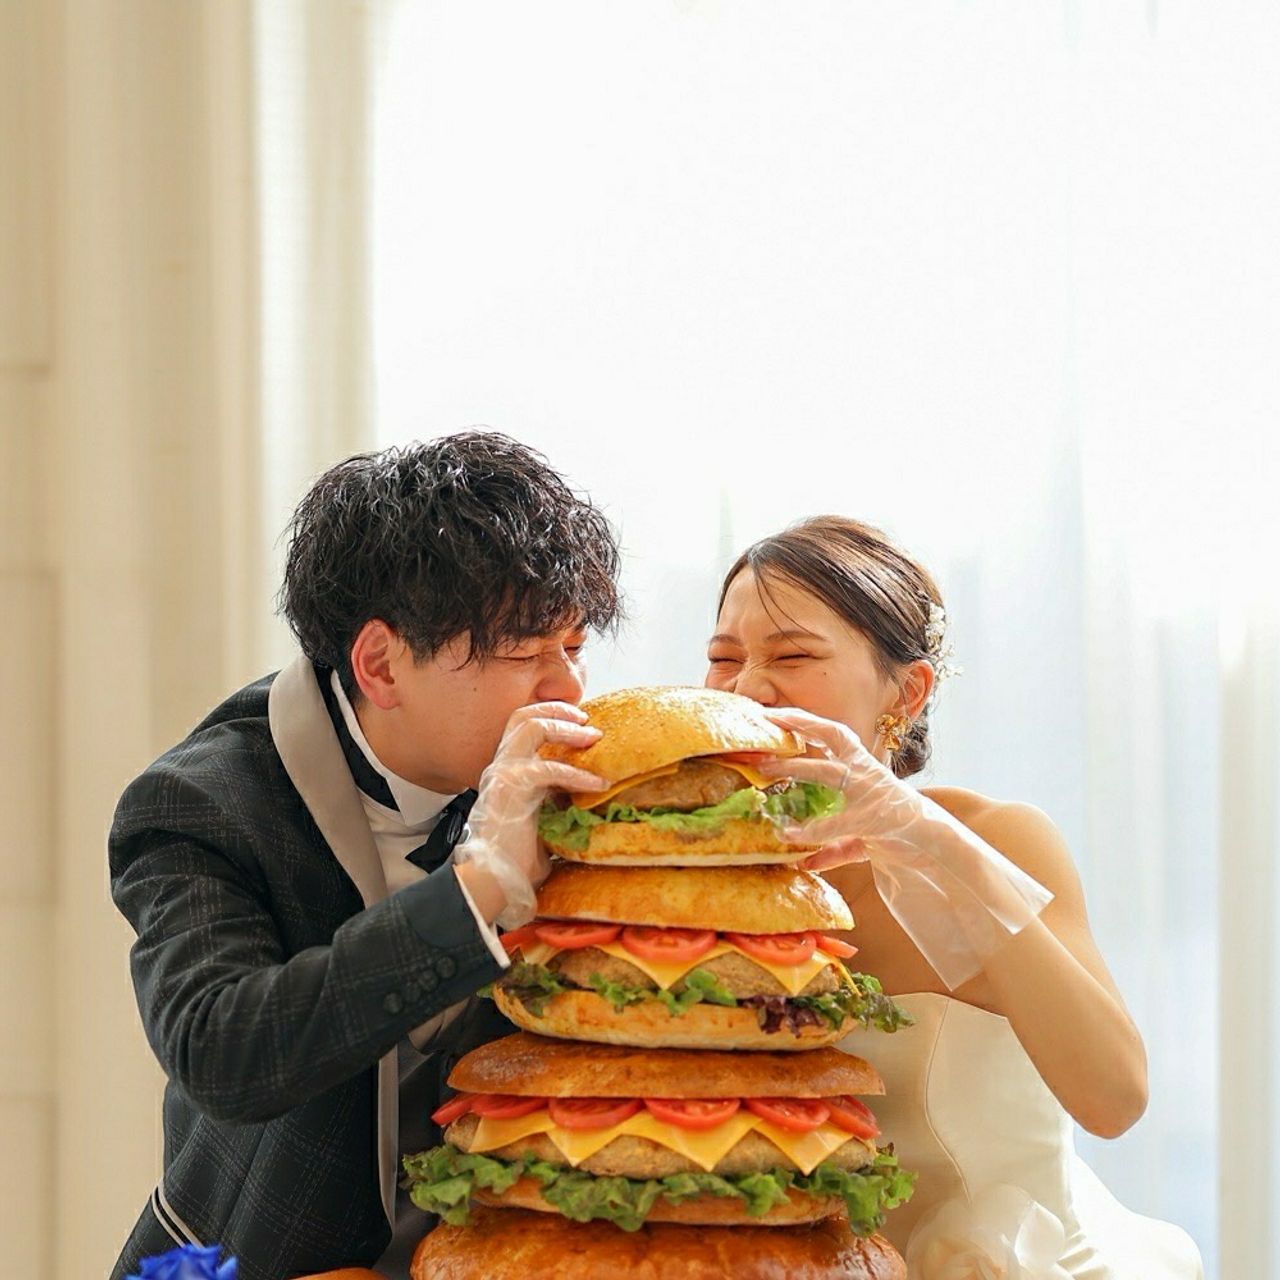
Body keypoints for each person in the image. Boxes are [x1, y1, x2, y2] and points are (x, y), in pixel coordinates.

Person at [108, 432, 620, 1280]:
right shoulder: (197, 804)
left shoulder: (564, 786)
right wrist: (478, 886)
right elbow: (223, 1052)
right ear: (380, 664)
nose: (566, 688)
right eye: (525, 654)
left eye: (574, 647)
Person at [705, 514, 1203, 1278]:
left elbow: (1115, 1099)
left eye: (793, 654)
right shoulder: (702, 872)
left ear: (906, 691)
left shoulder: (999, 839)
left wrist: (929, 841)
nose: (745, 687)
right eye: (722, 658)